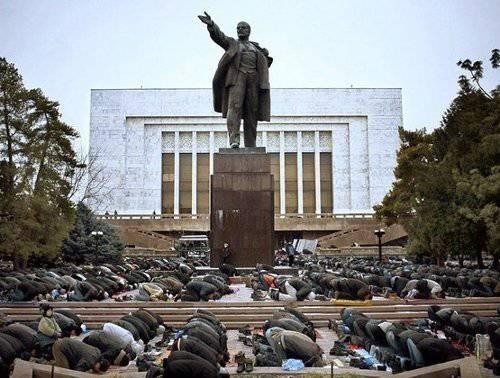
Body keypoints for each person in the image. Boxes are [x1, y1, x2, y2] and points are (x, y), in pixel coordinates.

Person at [198, 12, 272, 148]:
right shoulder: (233, 43)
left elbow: (265, 63)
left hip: (253, 80)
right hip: (237, 78)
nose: (240, 30)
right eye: (238, 28)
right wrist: (212, 25)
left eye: (243, 27)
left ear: (249, 31)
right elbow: (220, 38)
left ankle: (251, 144)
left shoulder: (255, 47)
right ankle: (234, 141)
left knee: (252, 111)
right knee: (234, 108)